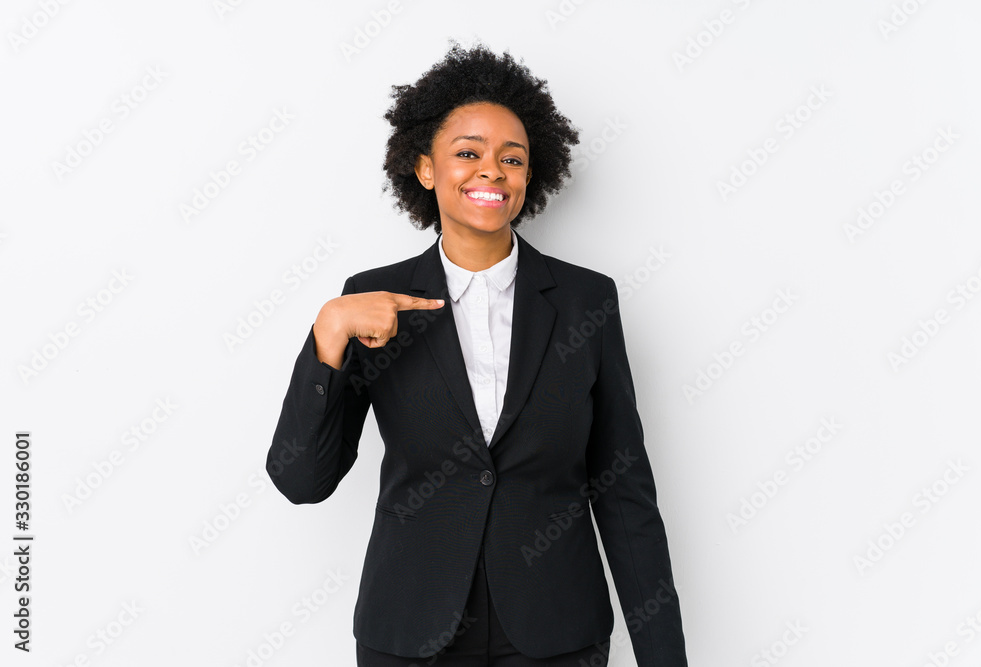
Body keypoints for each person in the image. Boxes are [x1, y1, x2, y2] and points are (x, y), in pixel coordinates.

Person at [266, 40, 688, 666]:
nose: (491, 171)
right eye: (468, 153)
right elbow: (303, 480)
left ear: (529, 176)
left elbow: (623, 490)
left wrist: (663, 657)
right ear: (426, 168)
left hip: (555, 635)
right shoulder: (370, 302)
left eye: (511, 158)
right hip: (411, 631)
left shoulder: (586, 301)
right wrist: (328, 334)